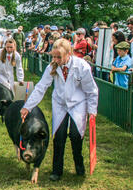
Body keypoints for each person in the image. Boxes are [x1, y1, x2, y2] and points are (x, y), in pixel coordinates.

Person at [20, 39, 99, 181]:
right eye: (53, 56)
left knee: (76, 135)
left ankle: (79, 167)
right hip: (60, 104)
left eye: (59, 57)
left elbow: (91, 90)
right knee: (59, 136)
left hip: (78, 103)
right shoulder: (52, 67)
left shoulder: (82, 66)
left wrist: (92, 111)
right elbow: (41, 87)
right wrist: (28, 106)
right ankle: (57, 170)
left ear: (69, 54)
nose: (55, 60)